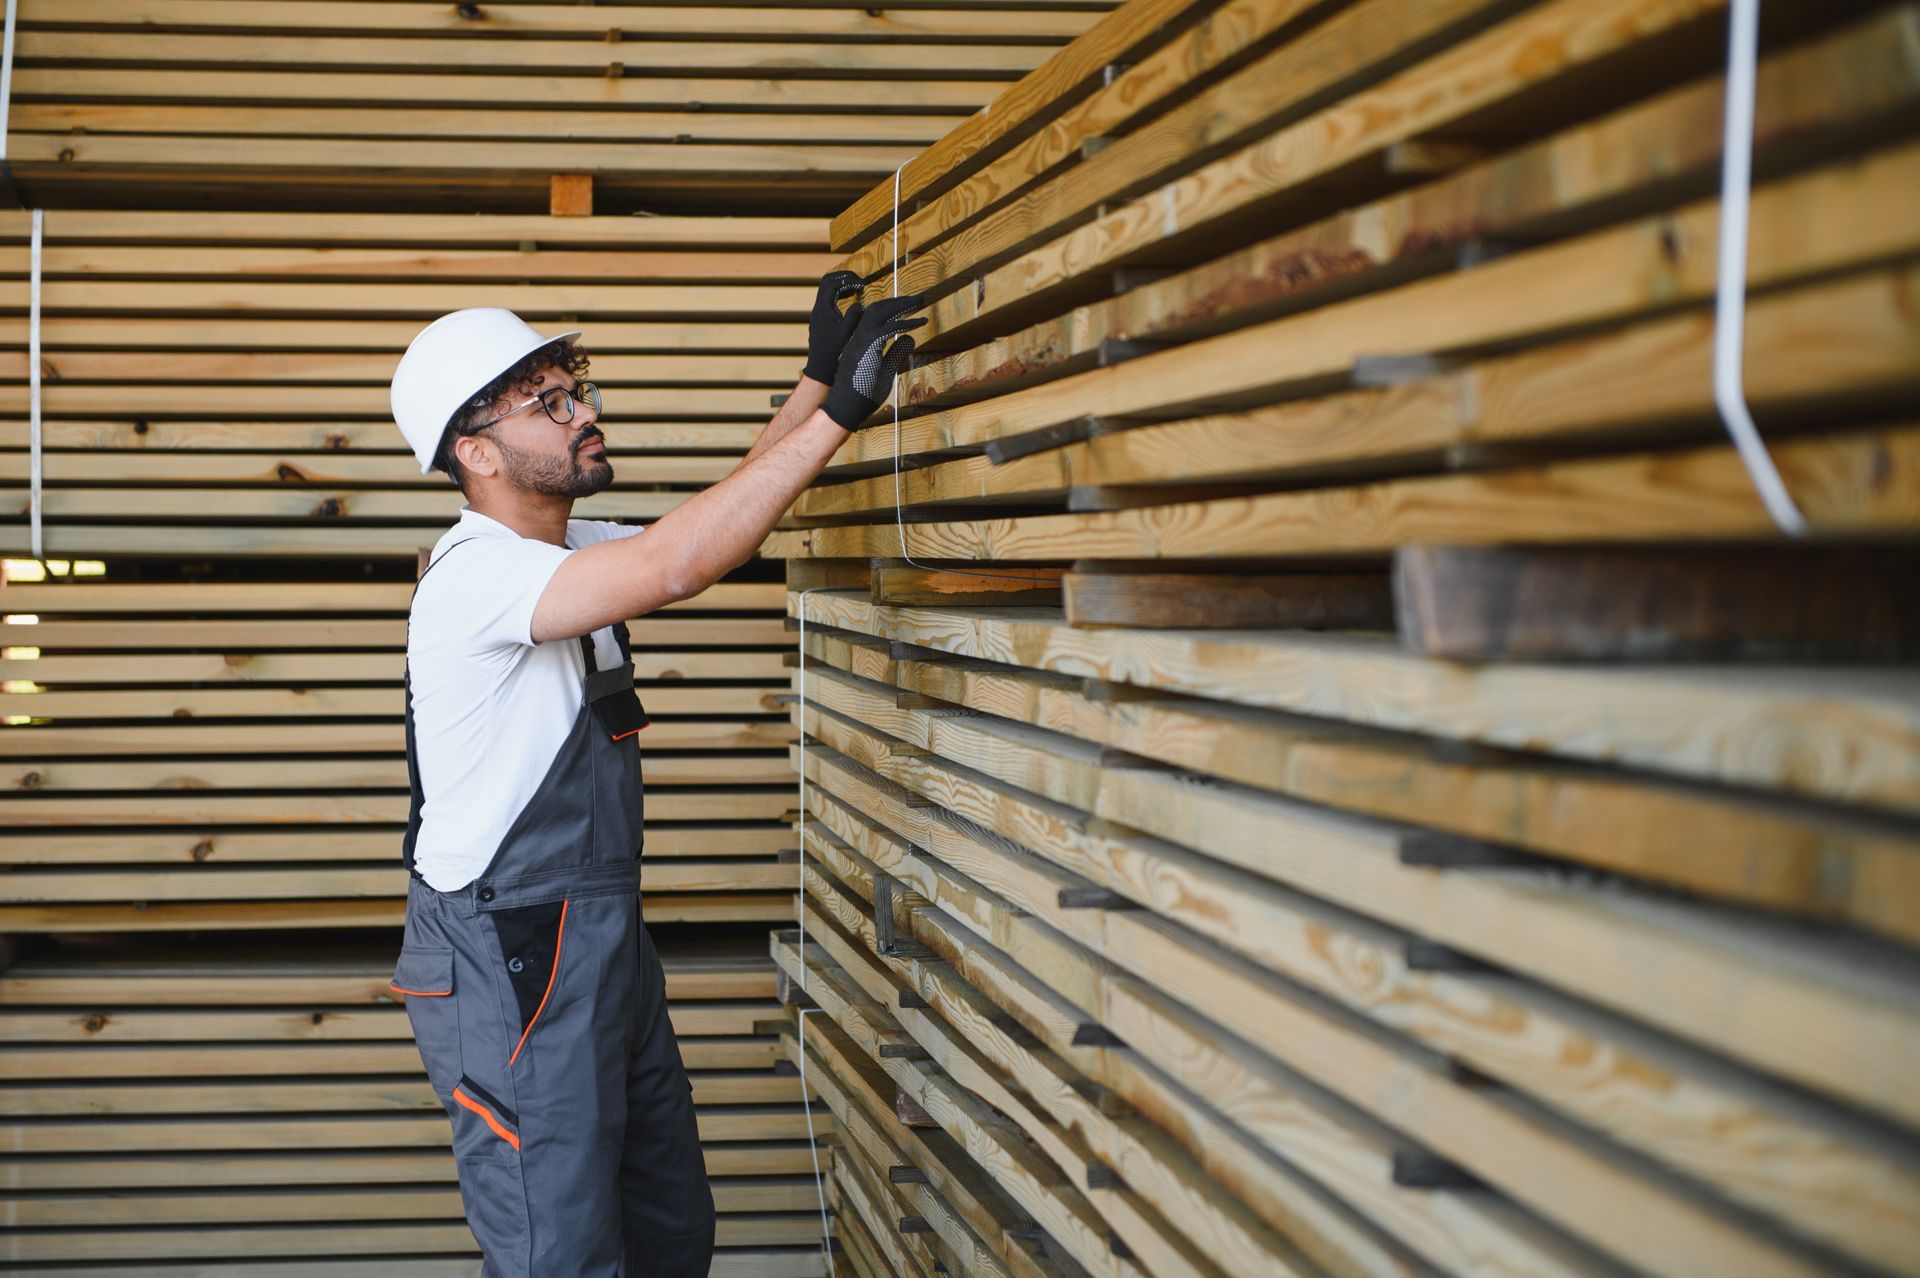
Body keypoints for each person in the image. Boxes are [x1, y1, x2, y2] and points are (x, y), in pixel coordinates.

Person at [382, 273, 924, 1276]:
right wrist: (846, 414)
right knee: (566, 1248)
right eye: (549, 402)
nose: (583, 412)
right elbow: (680, 564)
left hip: (594, 944)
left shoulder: (565, 546)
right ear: (475, 451)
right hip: (513, 958)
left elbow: (712, 518)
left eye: (574, 386)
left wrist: (813, 386)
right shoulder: (475, 579)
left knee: (670, 1224)